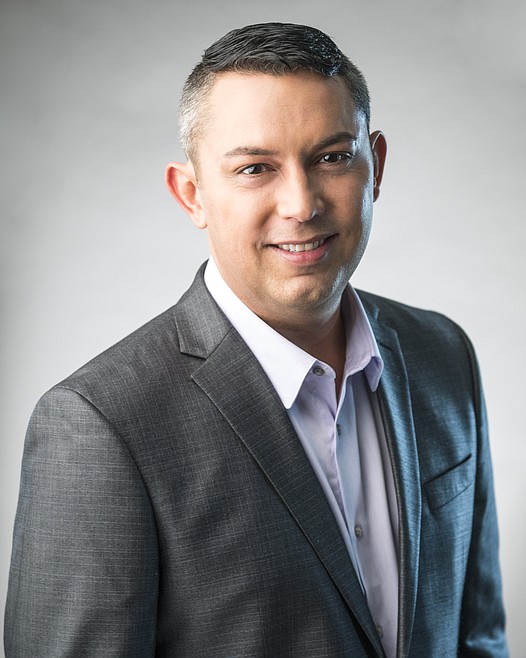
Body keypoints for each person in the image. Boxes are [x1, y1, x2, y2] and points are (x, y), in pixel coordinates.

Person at [4, 22, 508, 658]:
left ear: (375, 166)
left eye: (332, 157)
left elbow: (478, 638)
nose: (301, 204)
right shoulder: (100, 427)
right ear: (192, 194)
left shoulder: (443, 354)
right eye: (255, 168)